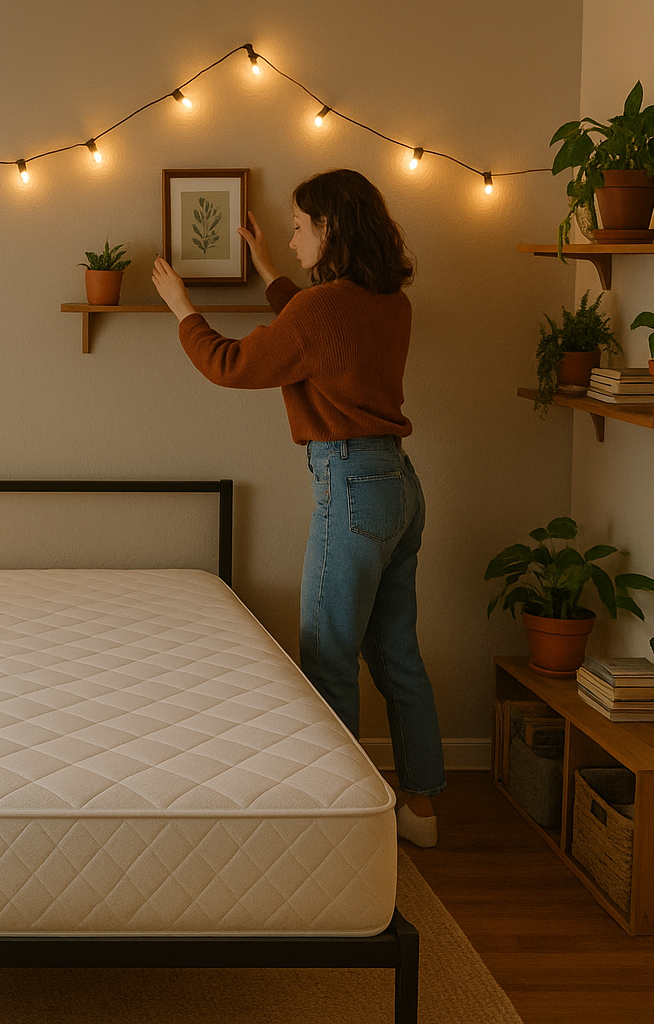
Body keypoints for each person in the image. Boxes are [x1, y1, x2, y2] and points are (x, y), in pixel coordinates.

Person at [150, 168, 445, 848]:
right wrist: (269, 269)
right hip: (398, 485)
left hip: (350, 490)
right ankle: (422, 813)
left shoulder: (320, 313)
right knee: (397, 654)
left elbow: (229, 363)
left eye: (299, 225)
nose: (290, 234)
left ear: (329, 229)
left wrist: (181, 307)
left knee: (327, 658)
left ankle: (339, 821)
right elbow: (315, 327)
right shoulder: (388, 301)